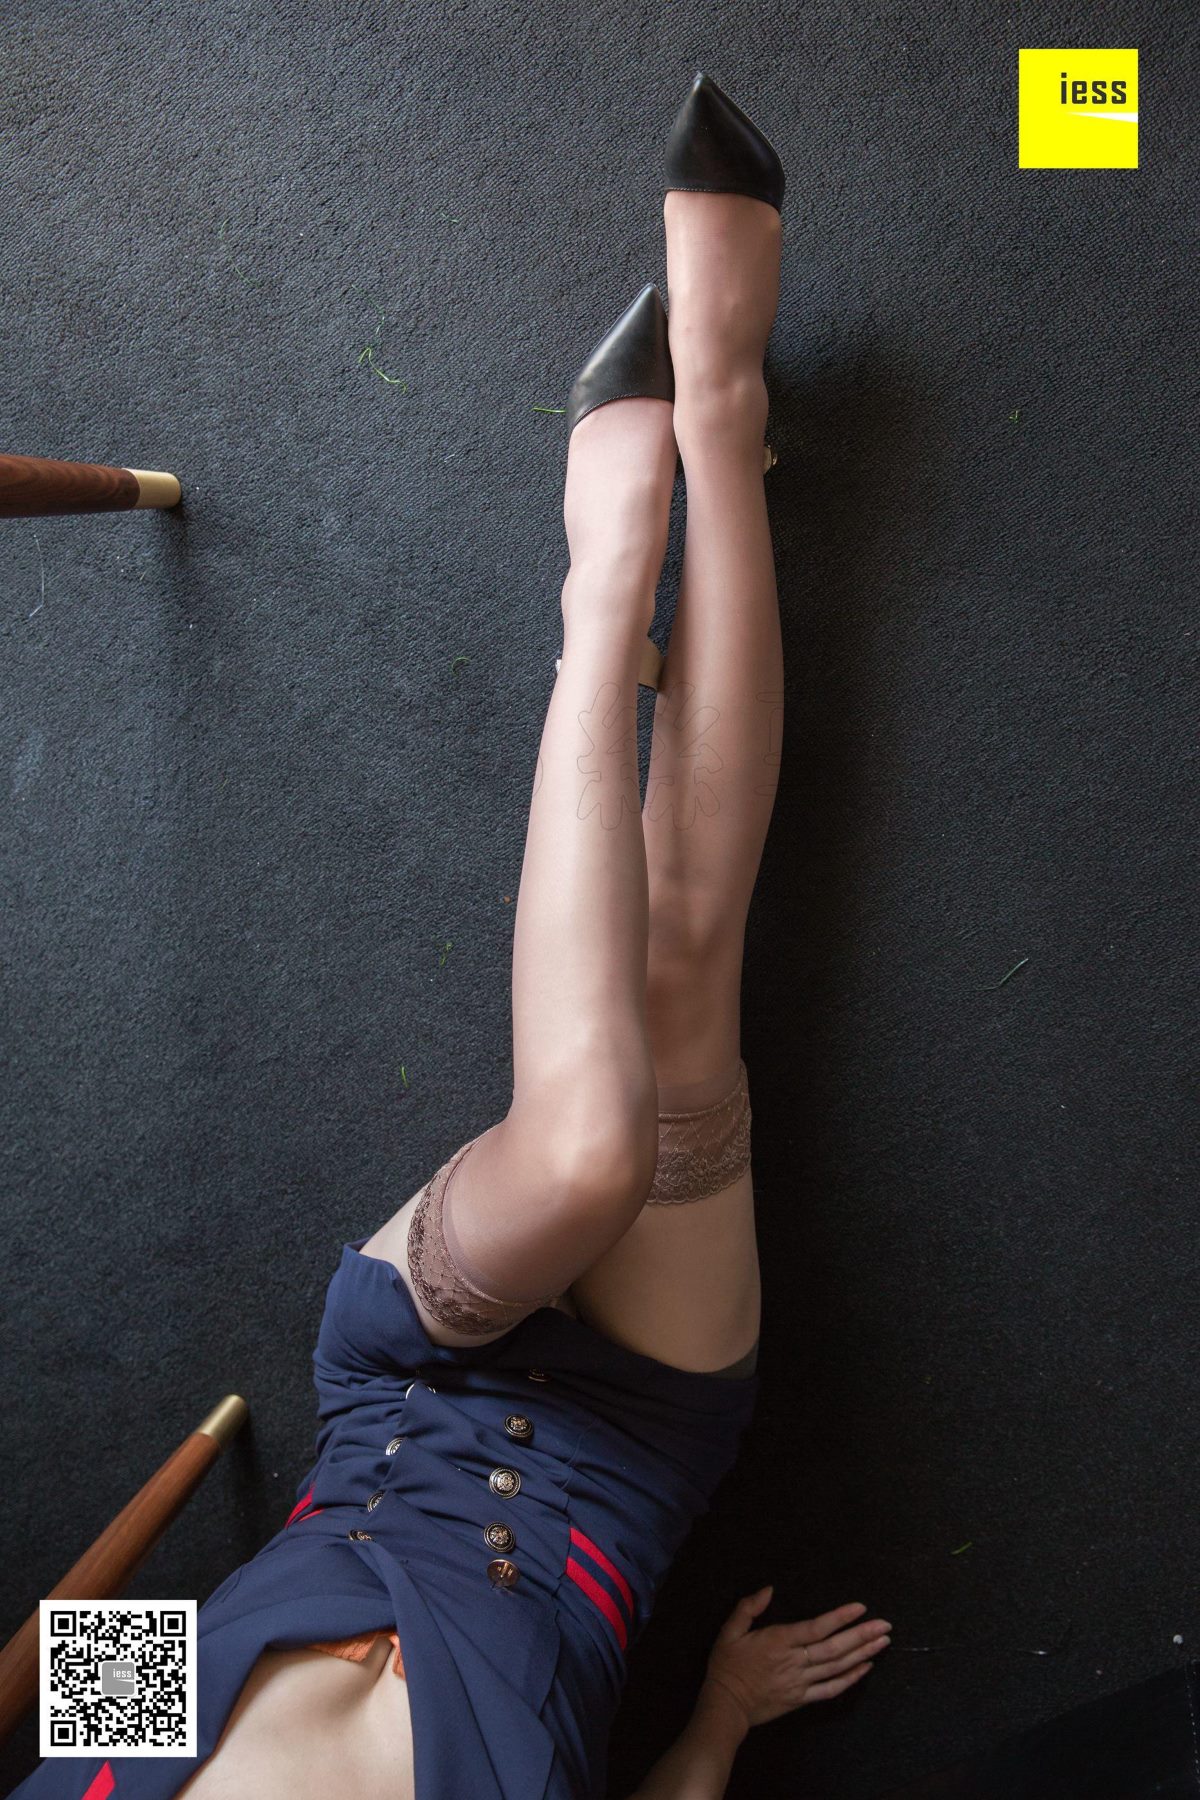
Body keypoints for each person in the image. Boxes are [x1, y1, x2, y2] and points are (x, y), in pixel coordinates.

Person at [8, 71, 891, 1800]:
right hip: (628, 1459)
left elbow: (145, 1672)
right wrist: (713, 1721)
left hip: (396, 1392)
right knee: (684, 978)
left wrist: (198, 1639)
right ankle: (718, 417)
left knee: (589, 1153)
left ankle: (602, 584)